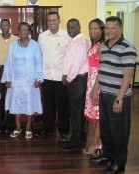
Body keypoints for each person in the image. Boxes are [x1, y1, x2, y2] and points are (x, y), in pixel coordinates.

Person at [89, 16, 137, 174]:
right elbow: (101, 70)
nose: (109, 31)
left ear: (120, 29)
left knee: (119, 131)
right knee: (106, 128)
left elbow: (128, 76)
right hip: (104, 94)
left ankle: (119, 162)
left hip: (118, 96)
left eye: (113, 28)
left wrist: (119, 99)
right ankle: (108, 155)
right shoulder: (103, 46)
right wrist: (95, 89)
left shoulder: (127, 48)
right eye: (107, 28)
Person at [1, 22, 43, 139]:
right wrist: (7, 79)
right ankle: (18, 127)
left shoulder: (35, 45)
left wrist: (39, 78)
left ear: (29, 32)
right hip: (15, 80)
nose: (23, 31)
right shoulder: (13, 45)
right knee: (16, 104)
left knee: (29, 103)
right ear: (18, 31)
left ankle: (28, 127)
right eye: (21, 29)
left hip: (29, 80)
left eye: (26, 29)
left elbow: (39, 63)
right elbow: (8, 63)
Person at [36, 12, 71, 141]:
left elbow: (69, 57)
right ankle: (47, 129)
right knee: (48, 105)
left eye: (54, 20)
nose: (52, 23)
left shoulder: (67, 36)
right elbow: (39, 56)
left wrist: (68, 74)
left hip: (61, 77)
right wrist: (39, 76)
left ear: (59, 20)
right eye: (49, 20)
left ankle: (63, 131)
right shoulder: (42, 36)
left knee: (62, 105)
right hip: (46, 76)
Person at [60, 18, 90, 151]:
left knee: (76, 112)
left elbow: (77, 63)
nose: (70, 30)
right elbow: (69, 60)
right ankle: (79, 137)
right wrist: (65, 74)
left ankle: (76, 142)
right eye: (68, 27)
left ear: (79, 27)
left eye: (73, 27)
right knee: (75, 110)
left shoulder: (81, 42)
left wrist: (69, 77)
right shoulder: (73, 41)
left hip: (78, 79)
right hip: (73, 78)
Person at [82, 18, 105, 154]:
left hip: (98, 83)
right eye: (91, 28)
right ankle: (98, 142)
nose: (92, 31)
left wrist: (95, 88)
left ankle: (95, 142)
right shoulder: (95, 44)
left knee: (99, 115)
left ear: (102, 30)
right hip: (92, 82)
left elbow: (102, 68)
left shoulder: (102, 45)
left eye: (96, 28)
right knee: (97, 114)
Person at [0, 19, 18, 133]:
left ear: (10, 26)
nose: (4, 27)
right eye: (2, 25)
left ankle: (10, 123)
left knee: (11, 97)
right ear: (0, 26)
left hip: (12, 71)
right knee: (0, 98)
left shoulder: (16, 39)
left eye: (6, 25)